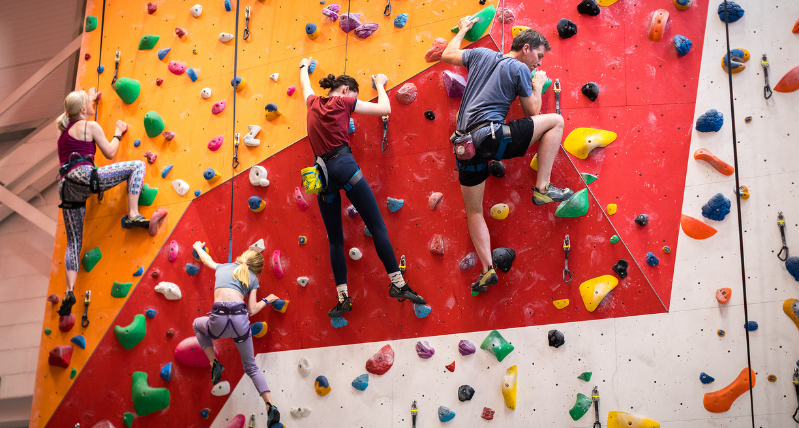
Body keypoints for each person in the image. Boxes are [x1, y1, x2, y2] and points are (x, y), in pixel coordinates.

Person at [442, 19, 574, 295]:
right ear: (525, 48)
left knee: (474, 210)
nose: (538, 63)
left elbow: (448, 54)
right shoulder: (519, 68)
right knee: (556, 122)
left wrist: (464, 29)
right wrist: (537, 84)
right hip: (490, 138)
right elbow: (533, 113)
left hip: (464, 147)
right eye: (538, 56)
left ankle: (487, 268)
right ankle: (543, 188)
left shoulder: (481, 54)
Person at [298, 57, 426, 317]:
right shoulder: (344, 101)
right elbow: (384, 109)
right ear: (346, 91)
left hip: (321, 175)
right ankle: (397, 284)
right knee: (377, 225)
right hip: (343, 164)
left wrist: (303, 67)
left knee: (335, 239)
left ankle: (343, 297)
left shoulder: (312, 103)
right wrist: (379, 84)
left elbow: (305, 85)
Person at [56, 88, 149, 316]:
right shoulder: (90, 126)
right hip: (86, 178)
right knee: (137, 166)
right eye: (90, 103)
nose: (93, 105)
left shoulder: (63, 135)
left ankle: (69, 290)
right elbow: (109, 153)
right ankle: (133, 214)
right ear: (84, 109)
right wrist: (117, 133)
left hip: (67, 189)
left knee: (73, 243)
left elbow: (77, 111)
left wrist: (89, 96)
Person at [192, 242, 281, 426]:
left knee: (196, 324)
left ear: (242, 257)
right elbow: (252, 309)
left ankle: (213, 362)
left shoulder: (222, 267)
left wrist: (198, 246)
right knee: (251, 367)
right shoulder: (253, 279)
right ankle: (270, 405)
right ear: (257, 269)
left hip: (218, 321)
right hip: (240, 323)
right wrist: (267, 299)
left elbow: (206, 259)